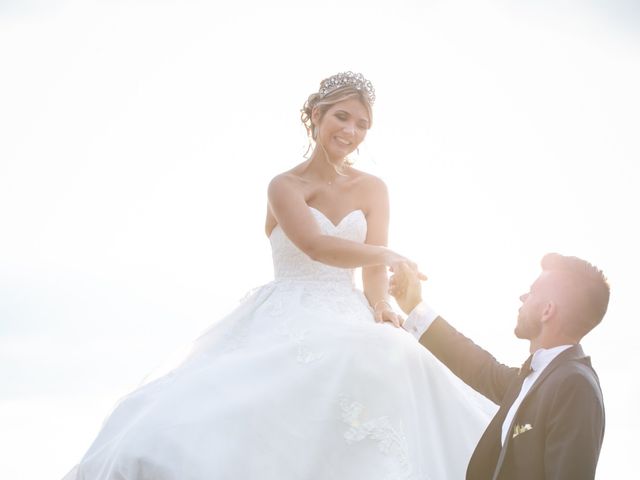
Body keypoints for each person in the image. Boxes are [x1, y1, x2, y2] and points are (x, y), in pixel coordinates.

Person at [63, 71, 495, 480]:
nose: (351, 130)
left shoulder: (373, 188)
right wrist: (386, 251)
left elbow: (371, 270)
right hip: (290, 308)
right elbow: (315, 245)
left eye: (362, 124)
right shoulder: (284, 186)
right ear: (315, 116)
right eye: (341, 117)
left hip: (350, 308)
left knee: (388, 354)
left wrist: (381, 303)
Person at [389, 253, 608, 479]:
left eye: (531, 292)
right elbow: (477, 366)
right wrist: (415, 307)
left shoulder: (575, 385)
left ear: (547, 311)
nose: (522, 297)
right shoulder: (536, 376)